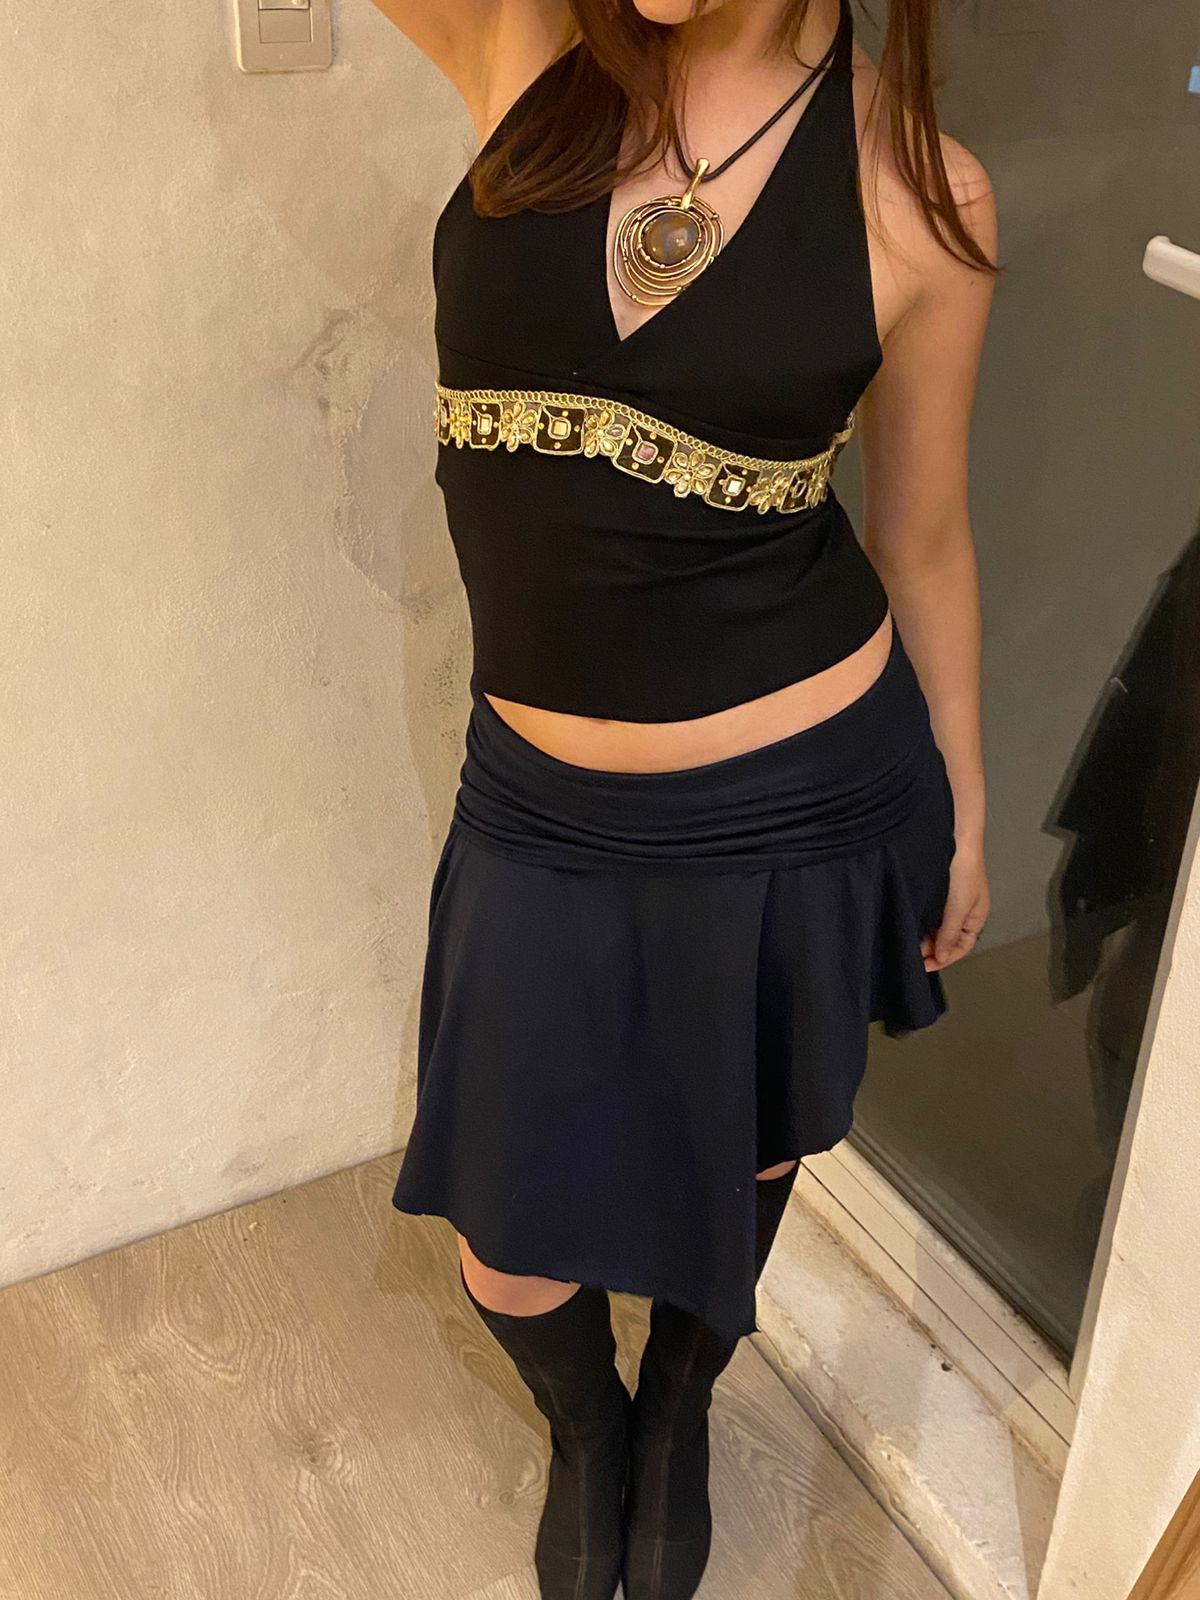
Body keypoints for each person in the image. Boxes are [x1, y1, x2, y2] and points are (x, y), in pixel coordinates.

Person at [379, 0, 995, 1593]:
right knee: (508, 1251)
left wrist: (969, 804)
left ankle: (680, 1403)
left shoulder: (923, 194)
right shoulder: (521, 38)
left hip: (799, 809)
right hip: (539, 812)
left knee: (740, 1155)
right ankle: (587, 1424)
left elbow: (925, 537)